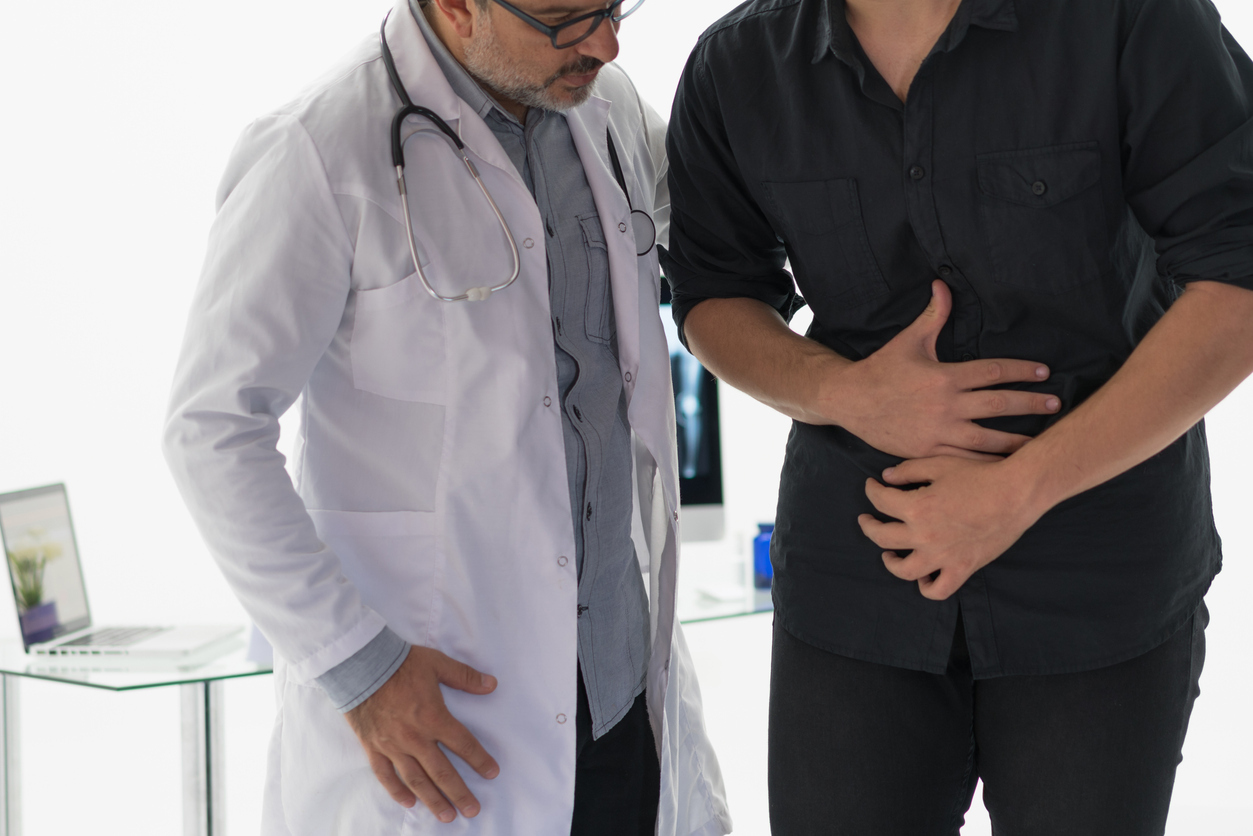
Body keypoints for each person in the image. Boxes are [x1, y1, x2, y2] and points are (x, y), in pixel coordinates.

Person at [663, 0, 1253, 833]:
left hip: (1097, 584)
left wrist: (1017, 492)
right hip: (855, 584)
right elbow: (712, 293)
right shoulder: (735, 62)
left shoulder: (1131, 18)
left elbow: (1236, 284)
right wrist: (844, 393)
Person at [162, 0, 731, 833]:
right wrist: (358, 668)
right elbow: (210, 431)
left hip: (618, 704)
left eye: (615, 6)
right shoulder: (320, 148)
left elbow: (729, 239)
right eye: (570, 19)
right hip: (442, 730)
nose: (606, 44)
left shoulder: (605, 113)